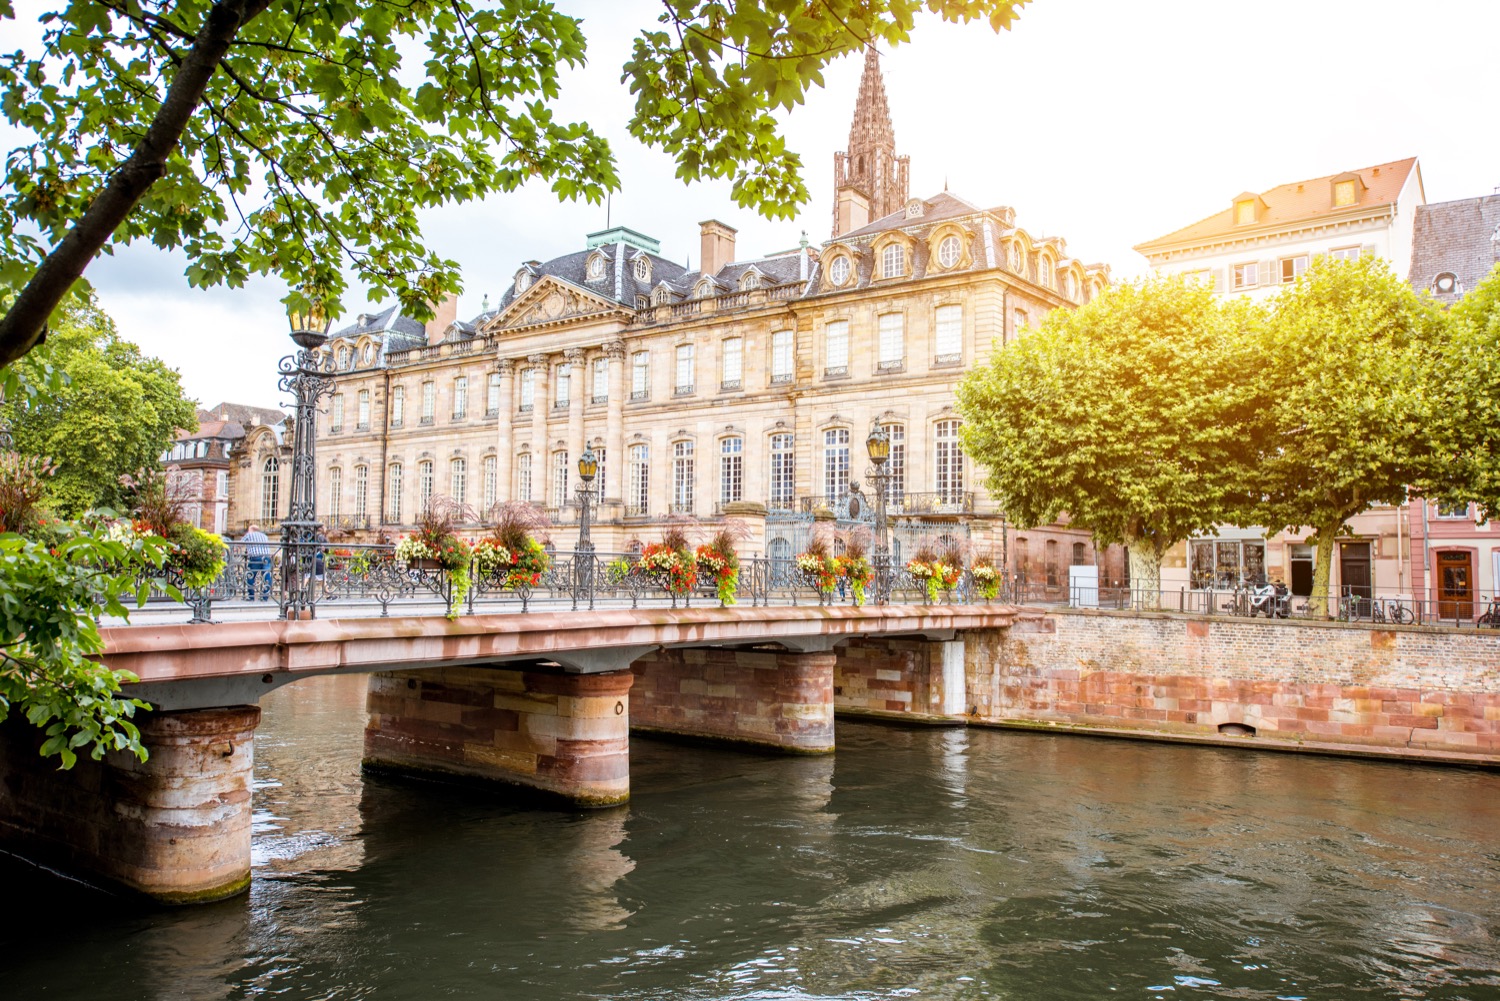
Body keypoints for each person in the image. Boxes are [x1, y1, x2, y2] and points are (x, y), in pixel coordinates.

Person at [242, 524, 272, 601]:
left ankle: (251, 596)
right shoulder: (264, 536)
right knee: (267, 576)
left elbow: (240, 543)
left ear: (251, 530)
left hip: (256, 557)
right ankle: (265, 597)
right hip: (266, 557)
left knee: (251, 576)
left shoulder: (249, 535)